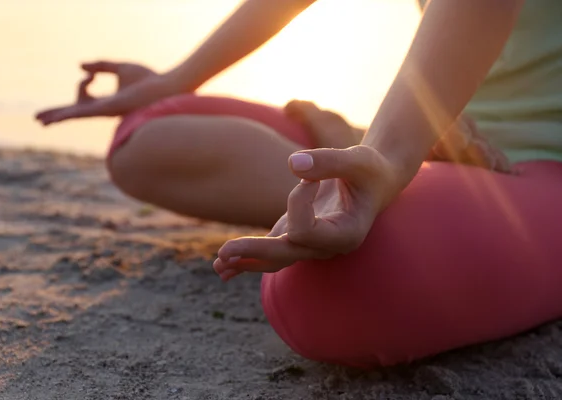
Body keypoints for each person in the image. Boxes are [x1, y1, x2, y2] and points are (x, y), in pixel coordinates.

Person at [36, 0, 562, 369]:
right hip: (437, 131)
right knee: (145, 136)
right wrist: (174, 80)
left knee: (328, 291)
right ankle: (378, 168)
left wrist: (383, 155)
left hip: (545, 169)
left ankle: (378, 169)